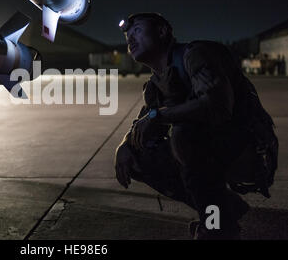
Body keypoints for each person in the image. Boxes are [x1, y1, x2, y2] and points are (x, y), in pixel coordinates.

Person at [114, 13, 277, 239]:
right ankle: (224, 211)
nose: (130, 39)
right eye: (127, 36)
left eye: (138, 31)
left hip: (249, 150)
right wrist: (123, 146)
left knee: (184, 135)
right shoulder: (155, 85)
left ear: (162, 31)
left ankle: (217, 228)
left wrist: (158, 116)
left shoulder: (196, 55)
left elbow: (217, 106)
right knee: (137, 157)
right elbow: (144, 123)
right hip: (211, 150)